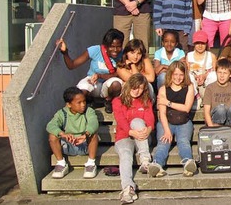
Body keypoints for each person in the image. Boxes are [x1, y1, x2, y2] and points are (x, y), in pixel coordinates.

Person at [148, 61, 197, 178]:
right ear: (170, 74)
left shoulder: (189, 87)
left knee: (183, 142)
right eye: (175, 74)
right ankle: (157, 164)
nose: (178, 78)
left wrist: (168, 102)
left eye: (180, 74)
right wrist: (167, 130)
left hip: (184, 121)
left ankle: (188, 163)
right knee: (163, 143)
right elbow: (162, 113)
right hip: (167, 121)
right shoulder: (163, 89)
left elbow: (186, 108)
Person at [56, 28, 124, 112]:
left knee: (116, 84)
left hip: (108, 85)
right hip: (93, 82)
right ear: (105, 45)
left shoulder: (123, 54)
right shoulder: (95, 50)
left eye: (118, 47)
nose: (115, 50)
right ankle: (87, 103)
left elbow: (119, 74)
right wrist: (65, 52)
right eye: (112, 47)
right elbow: (71, 65)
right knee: (82, 91)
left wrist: (100, 75)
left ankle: (109, 101)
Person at [112, 73, 155, 204]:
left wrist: (147, 130)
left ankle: (145, 160)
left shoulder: (145, 101)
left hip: (143, 137)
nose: (137, 91)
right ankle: (128, 188)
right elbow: (121, 120)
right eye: (134, 87)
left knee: (137, 121)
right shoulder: (117, 101)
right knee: (125, 154)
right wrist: (132, 132)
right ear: (129, 86)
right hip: (124, 137)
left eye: (141, 88)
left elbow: (150, 119)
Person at [47, 87, 99, 179]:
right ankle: (61, 163)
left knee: (93, 134)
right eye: (79, 103)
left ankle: (91, 164)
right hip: (68, 145)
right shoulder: (62, 113)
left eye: (84, 101)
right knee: (52, 135)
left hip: (85, 145)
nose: (83, 105)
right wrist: (62, 134)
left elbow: (94, 123)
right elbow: (50, 125)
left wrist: (85, 135)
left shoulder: (89, 111)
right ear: (69, 104)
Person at [202, 58, 231, 142]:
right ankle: (217, 136)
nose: (222, 76)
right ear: (216, 72)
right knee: (221, 108)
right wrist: (211, 128)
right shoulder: (210, 88)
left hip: (229, 121)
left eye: (225, 73)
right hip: (215, 121)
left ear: (230, 74)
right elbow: (206, 111)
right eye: (219, 72)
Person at [186, 30, 217, 109]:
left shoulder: (211, 56)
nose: (200, 46)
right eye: (197, 43)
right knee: (188, 76)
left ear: (206, 44)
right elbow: (188, 71)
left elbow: (214, 70)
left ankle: (209, 98)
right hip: (194, 81)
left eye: (202, 43)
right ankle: (196, 97)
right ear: (194, 44)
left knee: (214, 75)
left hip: (207, 82)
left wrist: (205, 76)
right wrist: (196, 77)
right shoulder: (189, 56)